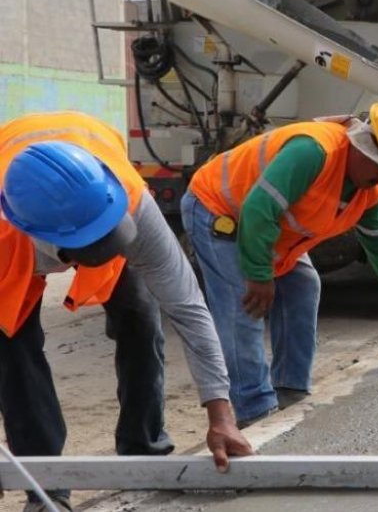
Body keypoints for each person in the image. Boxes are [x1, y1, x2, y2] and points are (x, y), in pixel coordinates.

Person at [0, 112, 253, 512]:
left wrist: (221, 416)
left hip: (93, 190)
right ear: (49, 244)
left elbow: (188, 307)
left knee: (141, 319)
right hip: (12, 242)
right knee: (13, 350)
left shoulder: (127, 202)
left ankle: (144, 452)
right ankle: (45, 486)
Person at [181, 104, 378, 425]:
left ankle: (290, 389)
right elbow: (259, 208)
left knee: (303, 284)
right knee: (244, 305)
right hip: (218, 209)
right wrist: (260, 275)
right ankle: (254, 411)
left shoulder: (367, 190)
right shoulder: (313, 152)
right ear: (364, 148)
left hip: (267, 229)